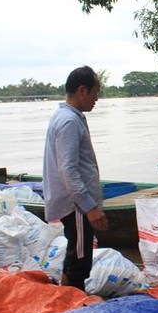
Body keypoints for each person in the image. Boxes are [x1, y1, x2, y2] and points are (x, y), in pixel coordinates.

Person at [42, 65, 108, 291]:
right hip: (77, 206)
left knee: (76, 254)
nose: (97, 98)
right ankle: (74, 306)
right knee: (80, 259)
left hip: (77, 204)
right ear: (82, 90)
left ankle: (66, 297)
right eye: (95, 92)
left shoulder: (68, 117)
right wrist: (89, 207)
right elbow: (68, 171)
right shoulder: (69, 121)